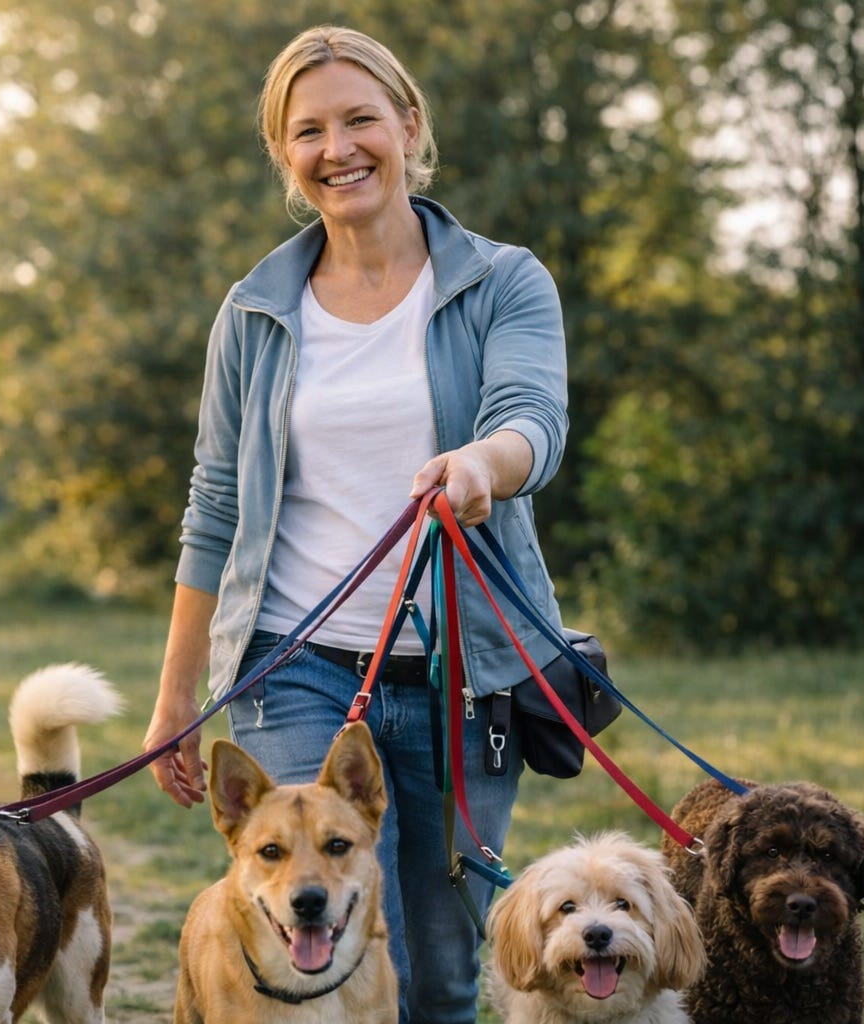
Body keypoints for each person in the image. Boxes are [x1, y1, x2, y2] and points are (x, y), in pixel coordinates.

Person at [142, 24, 569, 1023]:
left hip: (466, 675)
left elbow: (532, 423)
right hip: (291, 664)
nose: (338, 149)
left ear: (409, 125)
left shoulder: (503, 281)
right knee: (314, 957)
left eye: (360, 119)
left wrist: (482, 464)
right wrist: (175, 695)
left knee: (439, 971)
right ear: (284, 153)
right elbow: (215, 502)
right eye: (309, 131)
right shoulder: (255, 310)